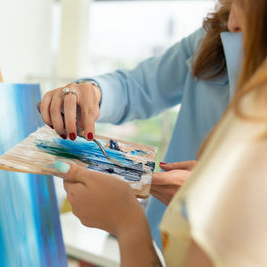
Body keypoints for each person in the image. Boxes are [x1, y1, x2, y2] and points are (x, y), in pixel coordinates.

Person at [53, 0, 267, 265]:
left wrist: (127, 219)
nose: (232, 21)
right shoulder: (210, 38)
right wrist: (92, 91)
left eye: (245, 6)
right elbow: (139, 85)